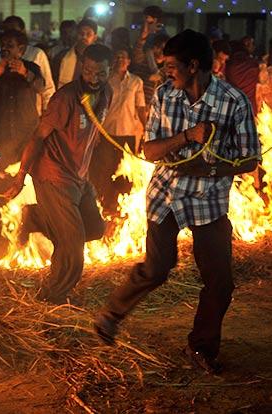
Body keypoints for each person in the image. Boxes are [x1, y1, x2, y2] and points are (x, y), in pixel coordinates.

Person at [94, 30, 260, 375]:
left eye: (171, 66)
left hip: (208, 201)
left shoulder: (233, 101)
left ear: (193, 65)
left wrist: (214, 167)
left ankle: (201, 348)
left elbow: (249, 159)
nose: (166, 71)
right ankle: (111, 314)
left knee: (220, 282)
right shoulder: (165, 95)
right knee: (157, 269)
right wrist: (188, 136)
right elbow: (149, 151)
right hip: (166, 197)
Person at [5, 44, 113, 305]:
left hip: (79, 177)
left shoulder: (107, 92)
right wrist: (21, 177)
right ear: (81, 68)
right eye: (88, 72)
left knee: (96, 229)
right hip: (54, 176)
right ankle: (53, 299)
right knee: (73, 247)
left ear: (108, 72)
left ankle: (36, 217)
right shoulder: (65, 99)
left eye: (100, 73)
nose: (93, 79)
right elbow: (38, 137)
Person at [0, 29, 44, 196]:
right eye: (3, 46)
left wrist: (24, 73)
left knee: (30, 176)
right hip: (4, 135)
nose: (5, 49)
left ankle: (31, 217)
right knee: (3, 177)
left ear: (20, 49)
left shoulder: (32, 68)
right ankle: (6, 217)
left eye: (10, 46)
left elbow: (40, 87)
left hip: (28, 134)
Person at [89, 47, 145, 216]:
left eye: (124, 57)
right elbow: (97, 106)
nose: (121, 60)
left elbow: (141, 108)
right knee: (106, 169)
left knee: (126, 172)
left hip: (128, 133)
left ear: (129, 61)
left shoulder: (136, 82)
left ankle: (122, 206)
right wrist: (95, 131)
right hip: (107, 133)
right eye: (118, 57)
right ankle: (104, 203)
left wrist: (146, 130)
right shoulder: (106, 81)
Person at [2, 15, 56, 114]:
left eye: (14, 30)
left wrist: (47, 114)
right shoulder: (0, 56)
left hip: (32, 114)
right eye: (6, 30)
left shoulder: (36, 54)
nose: (10, 34)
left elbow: (47, 87)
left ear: (22, 31)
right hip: (6, 114)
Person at [54, 19, 98, 89]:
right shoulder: (62, 57)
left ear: (95, 37)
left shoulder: (100, 59)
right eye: (81, 33)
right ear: (76, 34)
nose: (84, 37)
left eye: (88, 34)